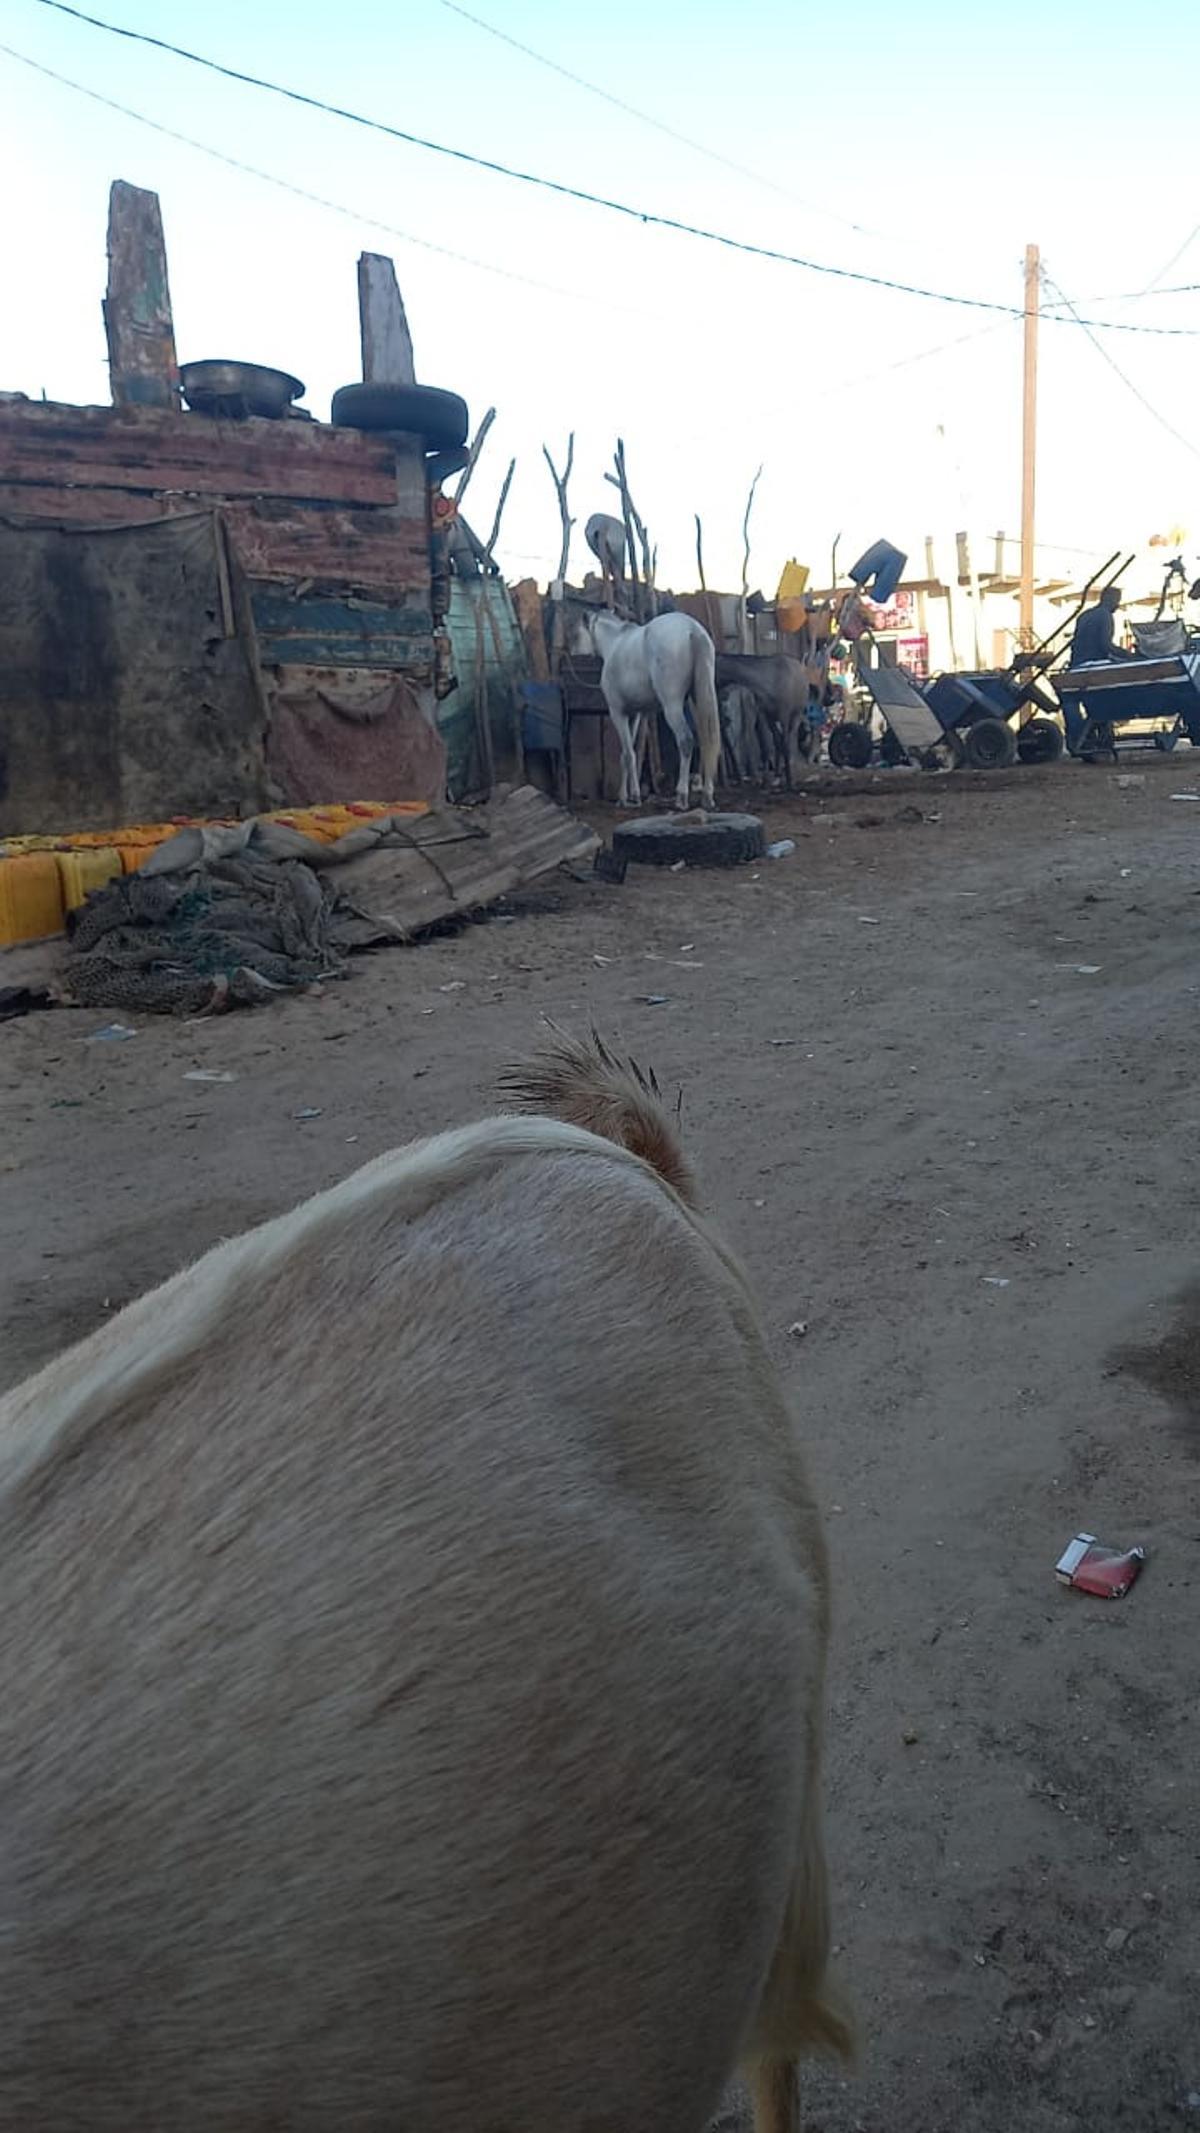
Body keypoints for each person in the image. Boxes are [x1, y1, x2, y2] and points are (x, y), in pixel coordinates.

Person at [1070, 585, 1133, 666]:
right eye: (1117, 601)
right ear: (1111, 599)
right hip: (1094, 663)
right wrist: (1127, 654)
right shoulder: (1105, 615)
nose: (1118, 605)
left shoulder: (1084, 615)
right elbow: (1106, 645)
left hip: (1077, 664)